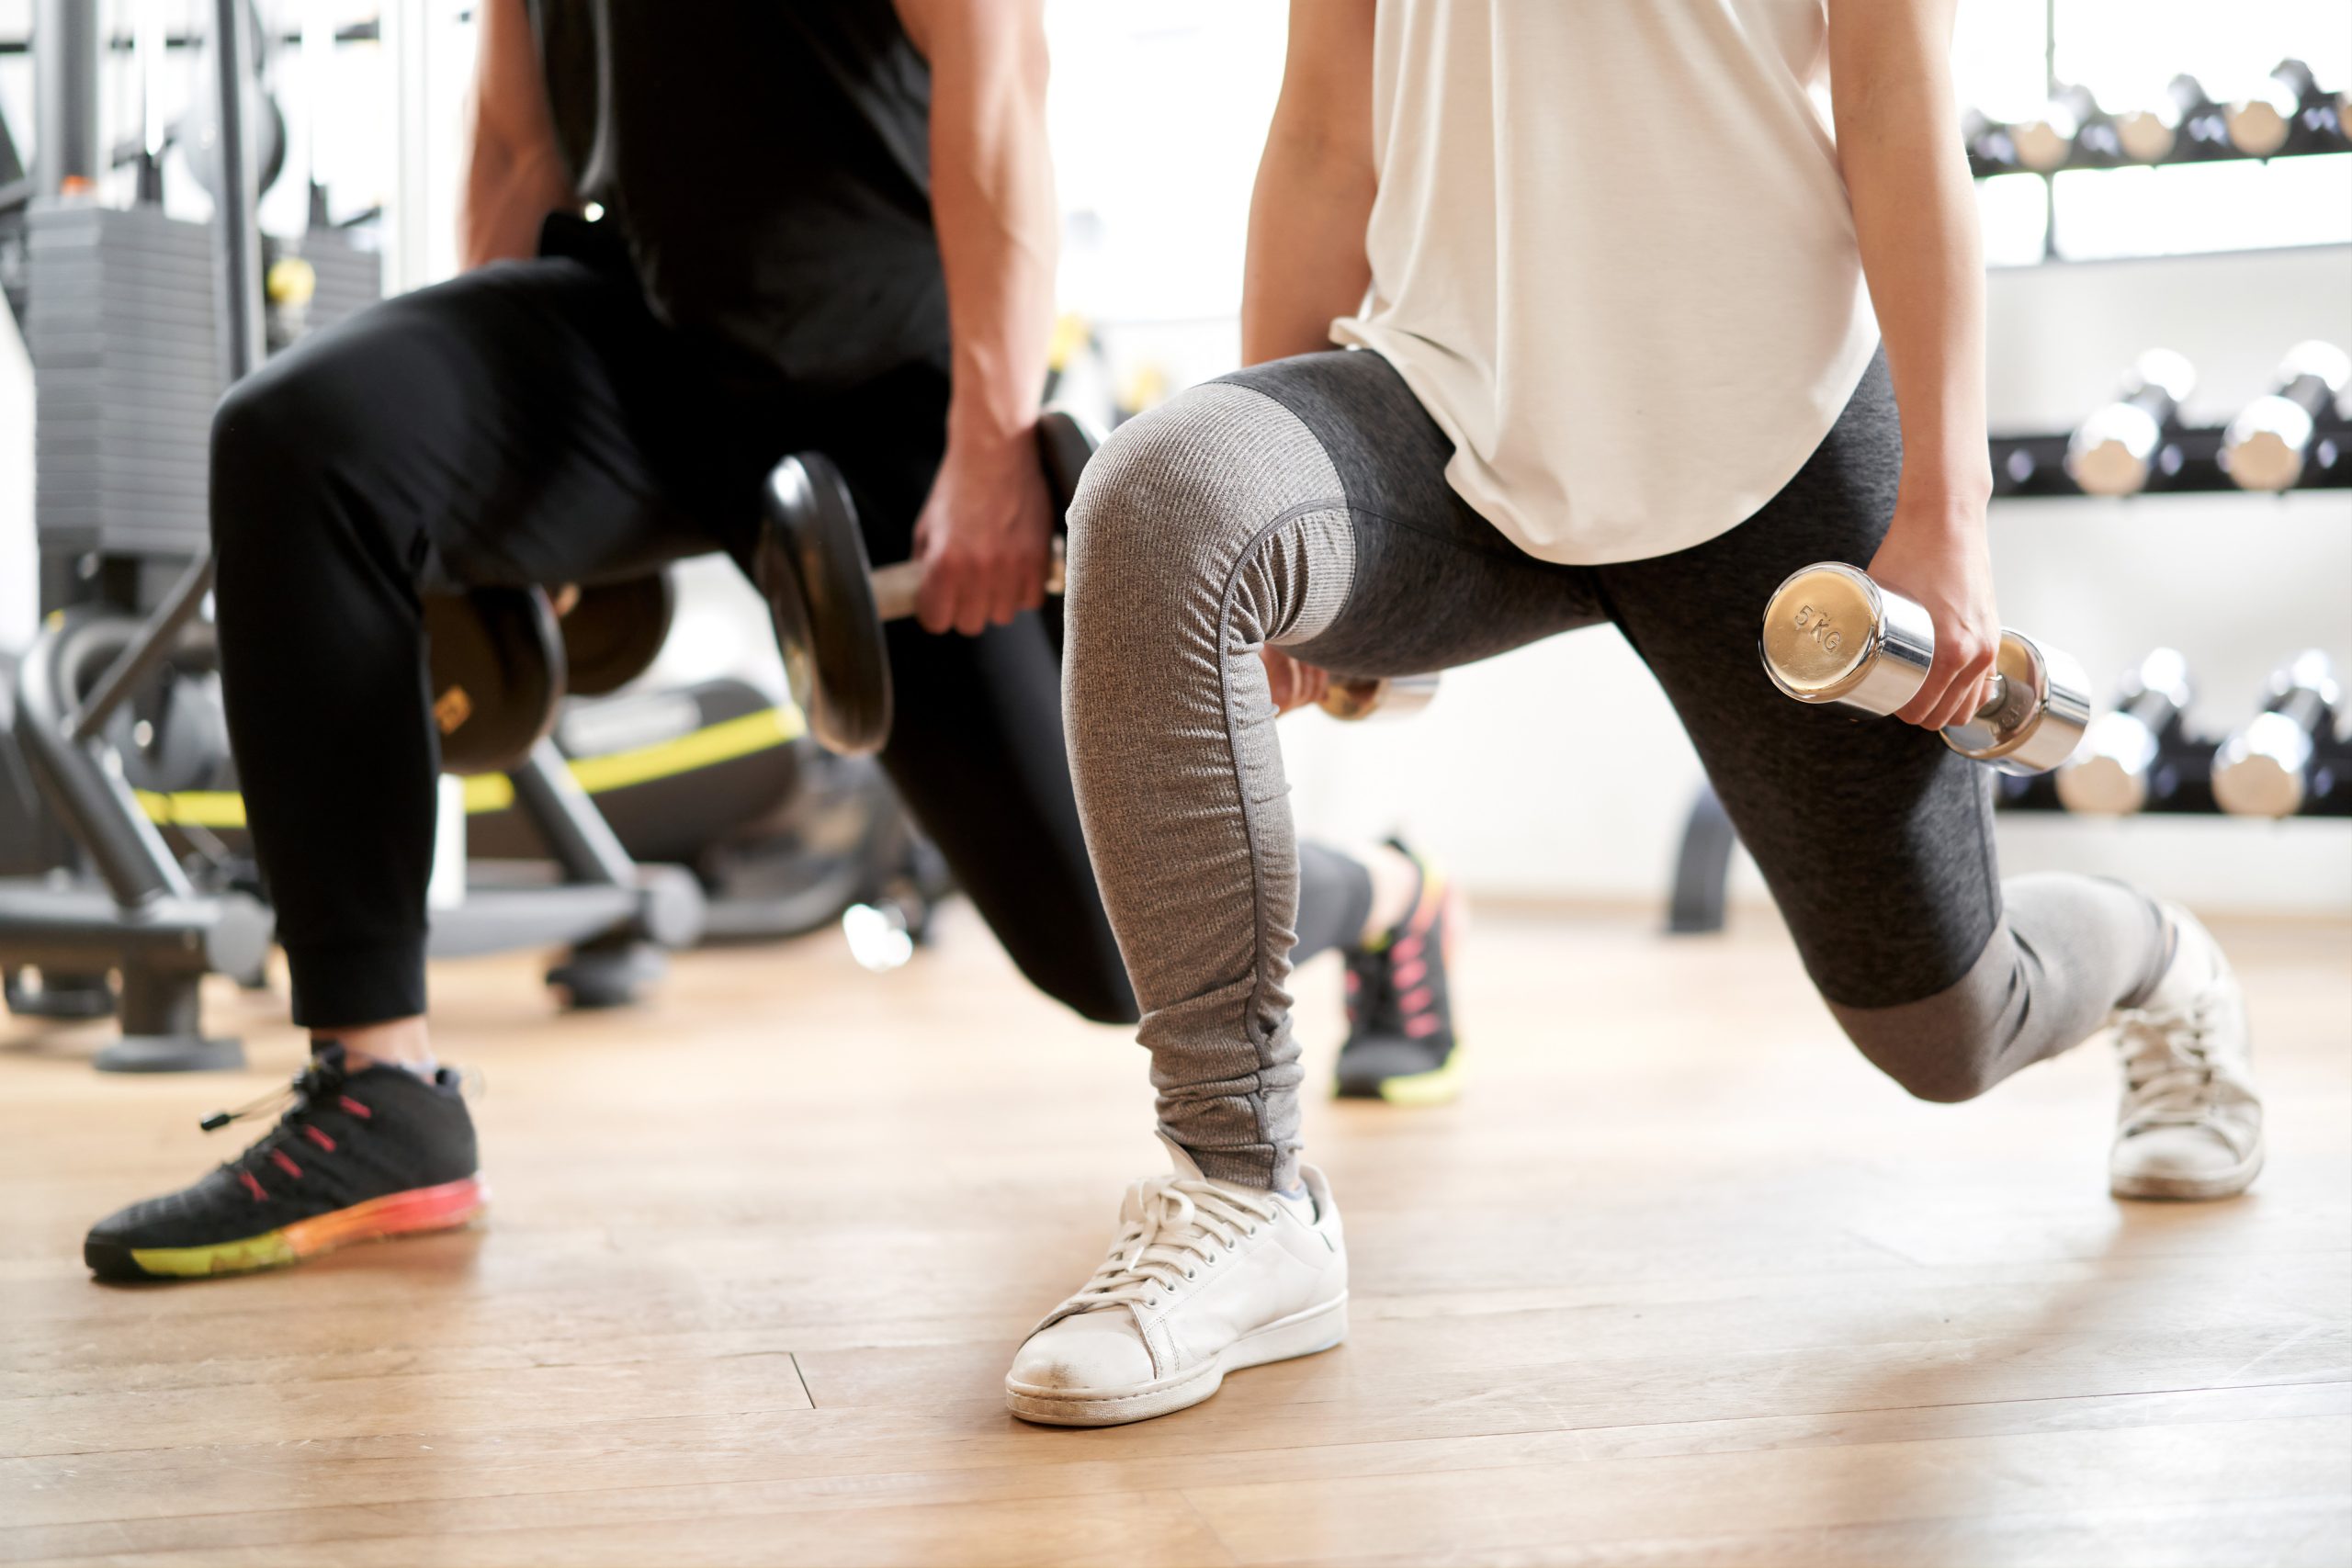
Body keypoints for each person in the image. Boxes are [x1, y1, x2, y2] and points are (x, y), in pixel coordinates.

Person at [1004, 0, 2266, 1428]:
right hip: (1449, 409)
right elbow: (1321, 128)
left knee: (1950, 1032)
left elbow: (1901, 106)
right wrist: (1291, 589)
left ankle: (2162, 957)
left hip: (1773, 443)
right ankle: (1240, 1191)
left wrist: (1946, 509)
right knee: (1167, 498)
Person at [81, 0, 1460, 1285]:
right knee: (303, 440)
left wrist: (988, 442)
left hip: (884, 392)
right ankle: (378, 1089)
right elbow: (520, 137)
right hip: (640, 342)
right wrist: (480, 535)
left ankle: (1389, 898)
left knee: (1107, 946)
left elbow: (998, 80)